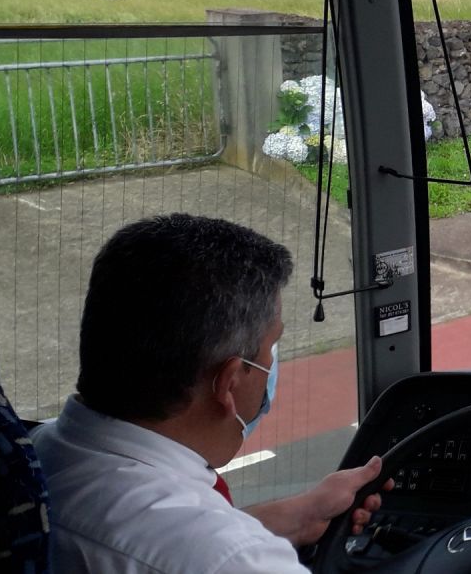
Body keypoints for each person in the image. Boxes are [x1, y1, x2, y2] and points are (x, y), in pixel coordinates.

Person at [31, 214, 392, 573]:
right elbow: (211, 554)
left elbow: (172, 540)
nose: (271, 362)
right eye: (272, 344)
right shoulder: (234, 561)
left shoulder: (32, 454)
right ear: (229, 383)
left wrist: (298, 516)